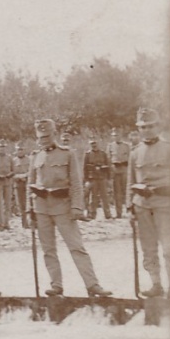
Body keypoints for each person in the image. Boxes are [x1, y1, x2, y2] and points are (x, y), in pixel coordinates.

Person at [27, 118, 111, 298]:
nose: (44, 140)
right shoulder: (35, 156)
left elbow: (76, 183)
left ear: (54, 134)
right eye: (40, 137)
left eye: (47, 136)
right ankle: (56, 286)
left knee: (76, 247)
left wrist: (77, 207)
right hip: (41, 208)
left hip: (63, 208)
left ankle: (92, 285)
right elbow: (31, 184)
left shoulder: (67, 154)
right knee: (48, 250)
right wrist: (29, 211)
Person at [127, 107, 170, 297]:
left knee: (169, 248)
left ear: (158, 126)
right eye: (142, 127)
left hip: (165, 205)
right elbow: (129, 182)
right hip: (142, 206)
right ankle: (156, 284)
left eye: (150, 126)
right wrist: (130, 208)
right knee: (148, 248)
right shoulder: (135, 153)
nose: (146, 130)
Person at [82, 137, 113, 220]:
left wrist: (109, 177)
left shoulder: (103, 154)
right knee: (93, 197)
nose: (94, 145)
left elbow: (108, 166)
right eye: (92, 144)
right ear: (90, 145)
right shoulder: (87, 155)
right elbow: (84, 168)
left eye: (95, 143)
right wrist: (86, 179)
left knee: (104, 197)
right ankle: (92, 214)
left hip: (102, 177)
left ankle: (107, 214)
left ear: (98, 144)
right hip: (93, 178)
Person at [106, 127, 132, 218]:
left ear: (120, 135)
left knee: (127, 191)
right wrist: (110, 172)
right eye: (113, 136)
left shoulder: (127, 146)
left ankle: (130, 211)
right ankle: (119, 213)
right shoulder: (110, 146)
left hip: (125, 169)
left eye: (117, 135)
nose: (115, 137)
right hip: (115, 170)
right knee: (117, 192)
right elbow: (108, 160)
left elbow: (131, 159)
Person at [11, 141, 31, 226]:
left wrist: (25, 176)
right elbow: (11, 173)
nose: (20, 151)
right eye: (18, 149)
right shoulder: (13, 161)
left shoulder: (29, 159)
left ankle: (32, 221)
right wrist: (19, 177)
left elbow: (32, 172)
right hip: (18, 184)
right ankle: (24, 223)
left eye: (21, 149)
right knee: (20, 203)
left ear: (25, 150)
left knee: (29, 202)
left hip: (28, 184)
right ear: (16, 150)